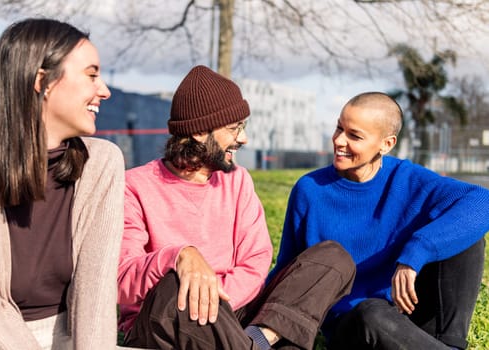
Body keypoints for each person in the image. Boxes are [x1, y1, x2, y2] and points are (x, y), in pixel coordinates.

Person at [117, 65, 355, 350]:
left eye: (242, 127)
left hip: (234, 312)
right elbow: (121, 278)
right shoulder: (133, 186)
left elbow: (255, 263)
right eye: (233, 129)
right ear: (199, 133)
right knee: (174, 286)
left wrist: (215, 298)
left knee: (333, 258)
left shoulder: (237, 180)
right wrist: (179, 257)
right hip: (170, 318)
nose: (243, 138)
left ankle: (255, 341)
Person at [271, 91, 488, 350]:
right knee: (372, 313)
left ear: (386, 144)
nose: (339, 140)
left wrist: (416, 252)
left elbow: (481, 201)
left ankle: (447, 344)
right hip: (352, 325)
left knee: (464, 238)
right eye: (339, 127)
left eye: (355, 136)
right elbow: (287, 267)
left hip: (406, 313)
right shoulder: (310, 189)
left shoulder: (406, 178)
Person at [0, 18, 125, 349]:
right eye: (92, 75)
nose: (104, 90)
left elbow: (95, 297)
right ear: (43, 81)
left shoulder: (102, 164)